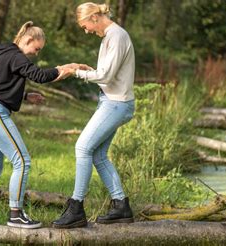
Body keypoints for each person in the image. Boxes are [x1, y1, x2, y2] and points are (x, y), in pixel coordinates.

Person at [0, 21, 86, 229]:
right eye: (36, 48)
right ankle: (15, 214)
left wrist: (24, 95)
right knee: (22, 162)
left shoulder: (3, 54)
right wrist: (65, 68)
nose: (36, 53)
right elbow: (40, 76)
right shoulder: (16, 55)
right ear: (28, 39)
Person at [52, 2, 136, 229]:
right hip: (111, 101)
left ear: (95, 18)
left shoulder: (116, 36)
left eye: (85, 25)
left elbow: (107, 76)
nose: (86, 30)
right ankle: (121, 206)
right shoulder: (110, 36)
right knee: (98, 155)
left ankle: (76, 208)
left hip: (116, 104)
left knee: (82, 148)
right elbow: (106, 73)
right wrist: (83, 68)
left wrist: (75, 73)